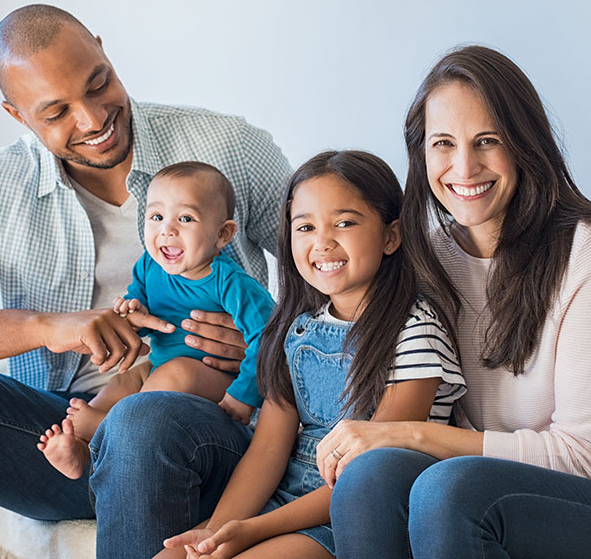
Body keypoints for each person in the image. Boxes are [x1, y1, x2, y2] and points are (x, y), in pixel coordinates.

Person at [0, 4, 292, 559]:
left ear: (104, 51)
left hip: (205, 427)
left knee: (141, 418)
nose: (92, 119)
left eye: (98, 83)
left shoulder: (226, 148)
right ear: (17, 116)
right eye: (57, 111)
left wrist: (268, 346)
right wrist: (47, 327)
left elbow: (335, 273)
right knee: (126, 415)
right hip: (66, 435)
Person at [320, 45, 591, 558]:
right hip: (467, 485)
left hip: (573, 498)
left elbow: (580, 457)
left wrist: (417, 436)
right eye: (443, 143)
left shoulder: (583, 254)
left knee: (450, 489)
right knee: (370, 475)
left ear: (525, 144)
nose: (464, 167)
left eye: (487, 141)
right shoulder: (424, 257)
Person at [161, 150, 465, 559]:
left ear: (391, 236)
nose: (322, 241)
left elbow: (369, 471)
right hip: (283, 501)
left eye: (344, 222)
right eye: (305, 226)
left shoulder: (414, 331)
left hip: (353, 516)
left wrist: (252, 531)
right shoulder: (296, 328)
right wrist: (216, 531)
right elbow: (267, 450)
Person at [39, 161, 275, 479]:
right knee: (127, 380)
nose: (167, 230)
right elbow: (139, 307)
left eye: (186, 218)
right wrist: (131, 312)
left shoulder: (230, 283)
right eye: (157, 217)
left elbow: (269, 336)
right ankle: (83, 448)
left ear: (223, 234)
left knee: (175, 373)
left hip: (214, 380)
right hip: (159, 370)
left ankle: (107, 428)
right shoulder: (149, 266)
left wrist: (244, 396)